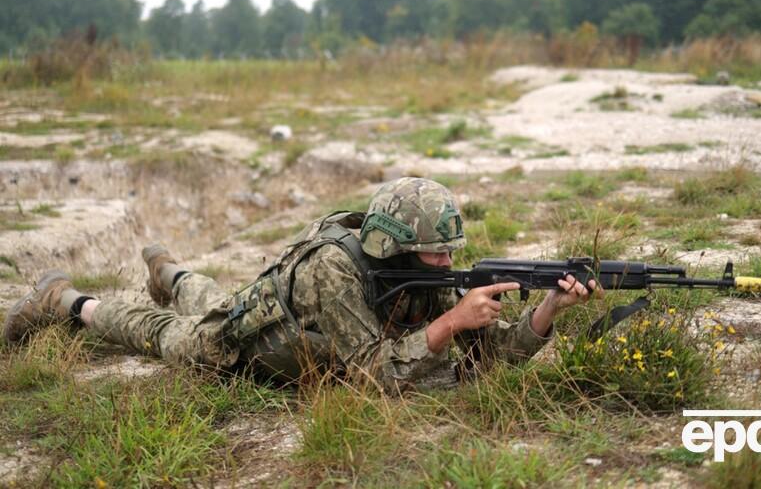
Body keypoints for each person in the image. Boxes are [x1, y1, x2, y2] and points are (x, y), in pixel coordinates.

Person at [3, 177, 603, 391]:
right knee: (174, 336)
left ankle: (172, 272)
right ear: (396, 245)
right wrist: (448, 324)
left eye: (450, 255)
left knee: (209, 297)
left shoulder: (424, 269)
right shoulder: (335, 268)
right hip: (250, 342)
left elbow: (487, 358)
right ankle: (69, 301)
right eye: (434, 254)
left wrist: (548, 306)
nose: (447, 267)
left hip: (298, 334)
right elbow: (373, 374)